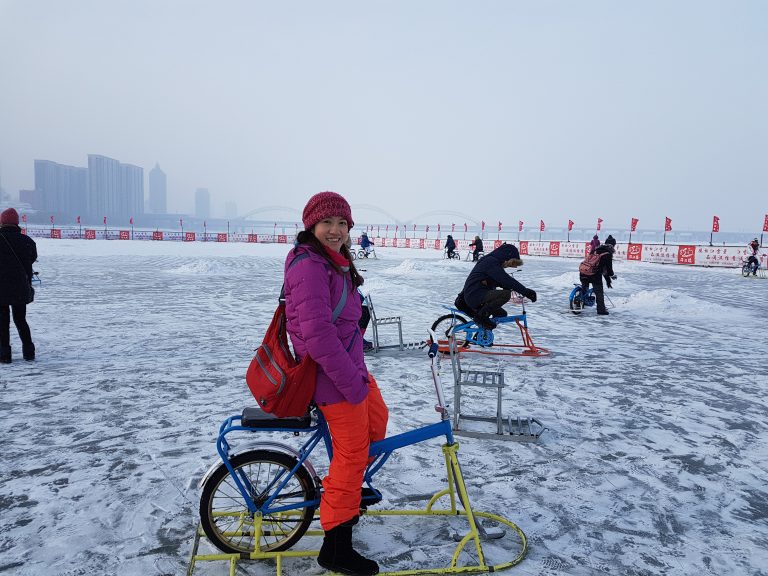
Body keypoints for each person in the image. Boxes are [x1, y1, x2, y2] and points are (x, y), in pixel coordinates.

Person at [283, 191, 387, 576]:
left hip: (348, 368)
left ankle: (349, 492)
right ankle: (336, 544)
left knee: (378, 422)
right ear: (311, 225)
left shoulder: (333, 262)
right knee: (352, 454)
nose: (336, 230)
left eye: (342, 223)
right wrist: (352, 386)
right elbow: (318, 337)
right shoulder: (309, 266)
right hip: (333, 378)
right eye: (328, 223)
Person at [455, 243, 537, 329]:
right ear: (507, 257)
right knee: (505, 294)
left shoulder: (491, 261)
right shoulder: (491, 262)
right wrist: (525, 291)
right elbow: (505, 279)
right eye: (510, 264)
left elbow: (497, 280)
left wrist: (505, 285)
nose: (508, 266)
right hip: (475, 295)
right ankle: (481, 316)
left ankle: (484, 336)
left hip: (475, 294)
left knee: (501, 314)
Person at [0, 208, 37, 363]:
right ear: (17, 223)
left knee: (2, 322)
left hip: (1, 288)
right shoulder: (27, 241)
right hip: (21, 287)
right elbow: (32, 258)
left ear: (2, 222)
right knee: (21, 320)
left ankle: (4, 355)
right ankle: (28, 352)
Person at [579, 235, 616, 316]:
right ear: (613, 245)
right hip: (594, 274)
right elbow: (608, 269)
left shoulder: (596, 249)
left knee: (584, 287)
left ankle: (582, 302)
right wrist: (612, 276)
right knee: (599, 292)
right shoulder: (608, 254)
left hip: (583, 271)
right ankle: (601, 310)